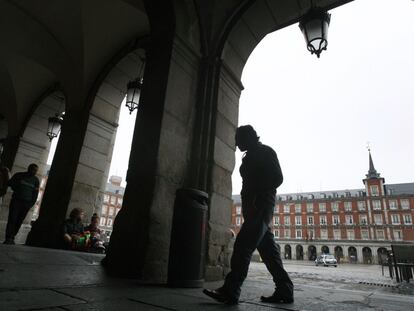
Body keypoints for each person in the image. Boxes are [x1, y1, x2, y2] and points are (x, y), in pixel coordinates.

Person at [203, 125, 293, 304]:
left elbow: (277, 178)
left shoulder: (266, 152)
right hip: (254, 209)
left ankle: (231, 290)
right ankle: (285, 290)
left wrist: (256, 196)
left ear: (248, 138)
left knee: (242, 247)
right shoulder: (250, 155)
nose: (236, 144)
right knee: (269, 253)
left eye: (238, 140)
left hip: (260, 207)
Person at [3, 163, 39, 245]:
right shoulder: (19, 175)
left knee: (19, 221)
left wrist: (31, 204)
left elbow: (35, 194)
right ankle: (8, 237)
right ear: (29, 168)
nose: (34, 172)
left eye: (36, 171)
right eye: (33, 170)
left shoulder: (36, 180)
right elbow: (10, 183)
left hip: (26, 203)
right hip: (16, 201)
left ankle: (12, 236)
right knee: (12, 219)